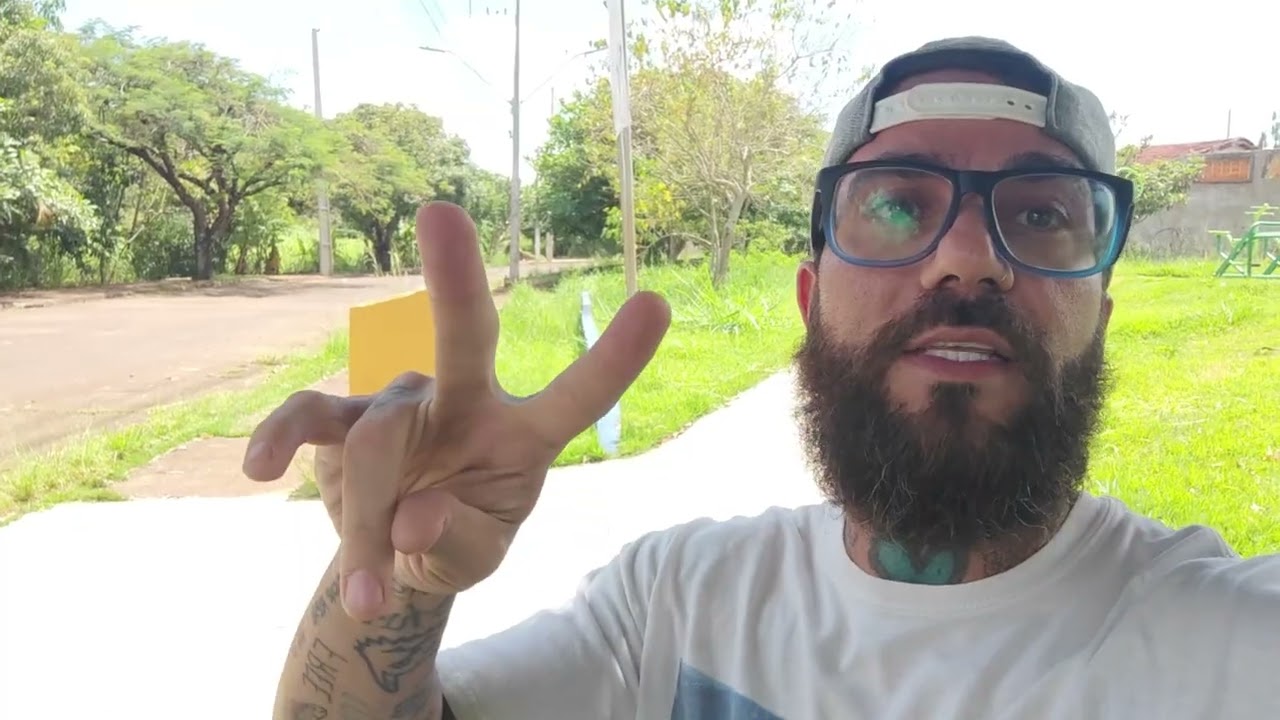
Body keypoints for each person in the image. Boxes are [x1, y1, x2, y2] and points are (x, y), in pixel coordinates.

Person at [243, 36, 1280, 720]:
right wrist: (394, 588)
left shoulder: (1236, 647)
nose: (967, 258)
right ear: (808, 300)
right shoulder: (674, 608)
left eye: (1041, 211)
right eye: (897, 204)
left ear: (1100, 313)